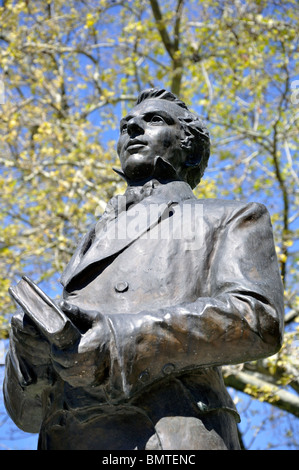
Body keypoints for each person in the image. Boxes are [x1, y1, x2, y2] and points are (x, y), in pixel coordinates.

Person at [4, 88, 284, 450]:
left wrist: (121, 342)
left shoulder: (228, 217)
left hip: (164, 435)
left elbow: (257, 319)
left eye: (154, 120)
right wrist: (29, 357)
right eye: (125, 126)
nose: (133, 127)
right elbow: (27, 417)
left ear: (190, 146)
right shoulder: (93, 240)